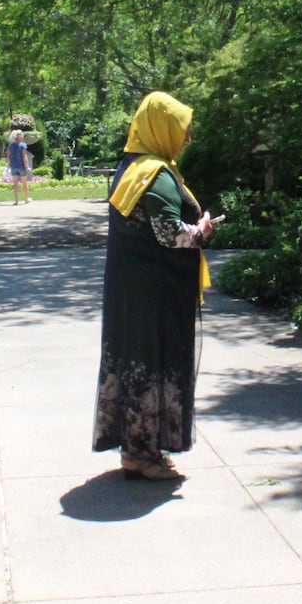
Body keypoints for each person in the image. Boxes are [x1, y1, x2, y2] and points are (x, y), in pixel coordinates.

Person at [92, 91, 217, 481]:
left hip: (133, 291)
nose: (188, 139)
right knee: (152, 365)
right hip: (156, 294)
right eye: (183, 130)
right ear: (161, 127)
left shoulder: (131, 166)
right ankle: (142, 454)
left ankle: (136, 449)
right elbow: (168, 233)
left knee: (135, 363)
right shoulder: (156, 175)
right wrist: (202, 230)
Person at [7, 129, 33, 205]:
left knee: (15, 185)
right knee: (24, 184)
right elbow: (24, 156)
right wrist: (27, 166)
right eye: (21, 134)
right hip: (21, 167)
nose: (22, 135)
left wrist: (9, 165)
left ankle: (16, 201)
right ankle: (26, 199)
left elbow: (8, 156)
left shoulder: (11, 146)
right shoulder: (23, 145)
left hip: (14, 167)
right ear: (19, 137)